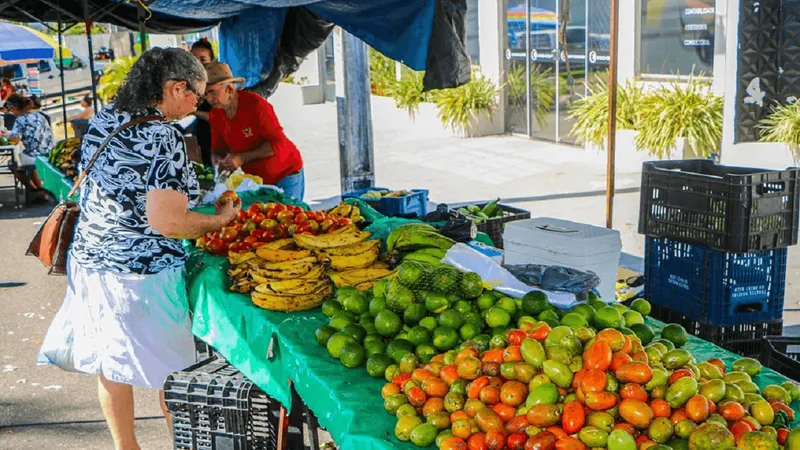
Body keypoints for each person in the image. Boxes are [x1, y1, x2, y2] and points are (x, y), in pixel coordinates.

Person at [38, 47, 241, 450]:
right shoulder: (163, 135)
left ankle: (126, 446)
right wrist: (220, 221)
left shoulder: (106, 118)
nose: (195, 106)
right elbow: (168, 222)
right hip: (138, 274)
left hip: (92, 261)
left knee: (112, 366)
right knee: (171, 375)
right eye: (196, 96)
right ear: (175, 87)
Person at [205, 61, 305, 200]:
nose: (209, 99)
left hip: (285, 174)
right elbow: (218, 147)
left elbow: (277, 144)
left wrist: (241, 158)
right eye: (205, 94)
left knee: (289, 218)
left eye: (212, 92)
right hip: (257, 181)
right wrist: (218, 160)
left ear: (229, 88)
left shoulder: (256, 105)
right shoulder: (215, 114)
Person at [5, 94, 53, 203]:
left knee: (14, 165)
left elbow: (15, 140)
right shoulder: (40, 115)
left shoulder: (20, 120)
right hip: (49, 152)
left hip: (35, 155)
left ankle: (37, 191)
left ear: (14, 108)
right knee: (26, 159)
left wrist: (6, 137)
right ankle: (40, 192)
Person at [189, 39, 215, 166]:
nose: (198, 64)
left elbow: (218, 118)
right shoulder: (193, 84)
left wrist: (193, 112)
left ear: (212, 61)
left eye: (203, 59)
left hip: (216, 141)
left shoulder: (216, 85)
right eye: (194, 59)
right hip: (200, 136)